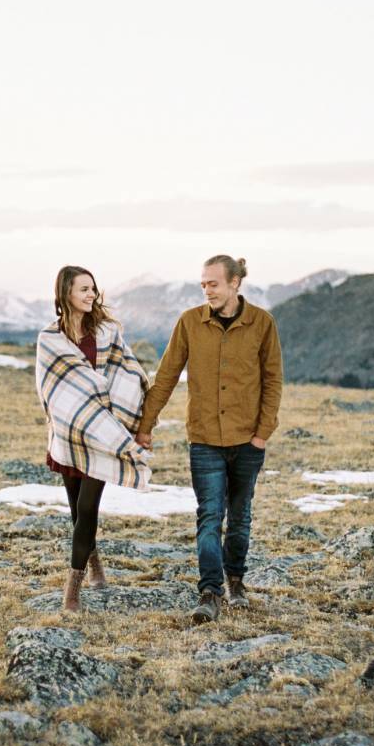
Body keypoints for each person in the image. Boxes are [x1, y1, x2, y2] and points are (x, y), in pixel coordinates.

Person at [136, 254, 283, 624]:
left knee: (240, 519)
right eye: (203, 284)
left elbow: (273, 381)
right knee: (209, 517)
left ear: (235, 283)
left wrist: (262, 434)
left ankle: (236, 581)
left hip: (248, 441)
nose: (206, 290)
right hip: (204, 440)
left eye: (213, 283)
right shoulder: (189, 323)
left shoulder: (262, 324)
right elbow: (166, 375)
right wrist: (145, 425)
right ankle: (210, 592)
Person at [36, 265, 151, 611]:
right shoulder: (49, 339)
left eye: (93, 289)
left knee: (87, 508)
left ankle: (71, 591)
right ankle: (94, 562)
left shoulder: (107, 333)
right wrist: (79, 402)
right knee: (76, 510)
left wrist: (112, 410)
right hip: (68, 436)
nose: (91, 295)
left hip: (101, 433)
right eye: (83, 289)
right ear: (66, 293)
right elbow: (50, 389)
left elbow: (129, 373)